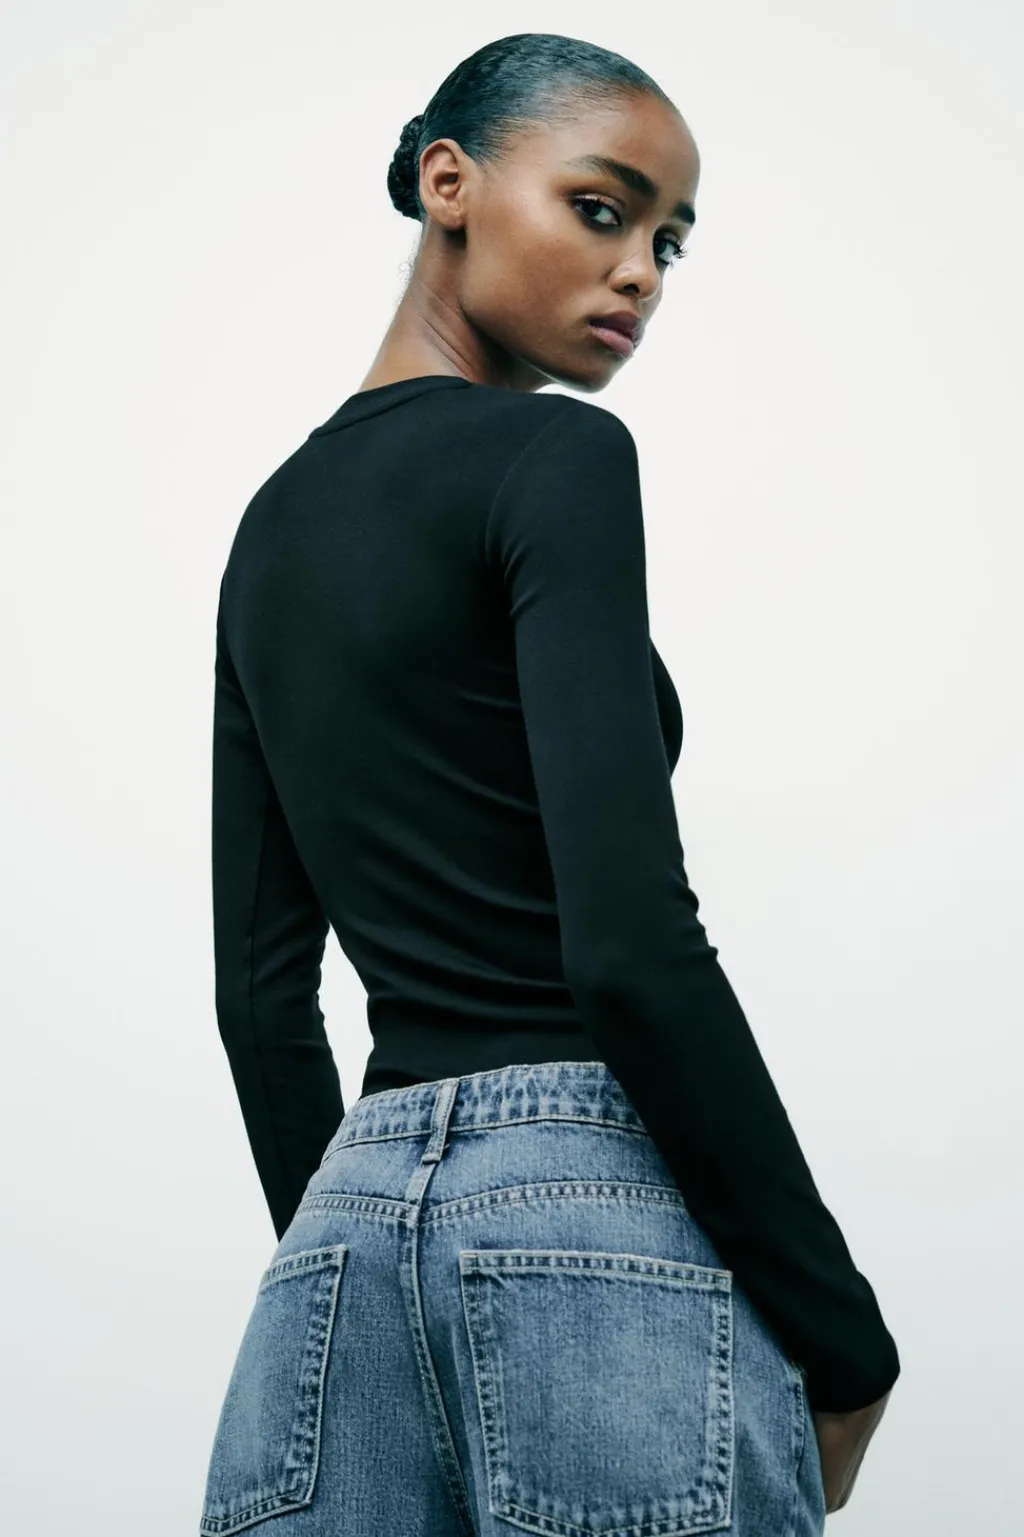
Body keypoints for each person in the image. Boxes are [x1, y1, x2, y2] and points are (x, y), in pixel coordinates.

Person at [199, 31, 899, 1536]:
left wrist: (351, 1262)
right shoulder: (558, 458)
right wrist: (847, 1341)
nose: (639, 271)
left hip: (333, 1252)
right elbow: (629, 946)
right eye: (601, 208)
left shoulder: (266, 532)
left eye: (669, 243)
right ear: (449, 183)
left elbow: (258, 999)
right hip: (586, 1208)